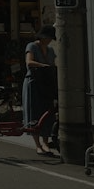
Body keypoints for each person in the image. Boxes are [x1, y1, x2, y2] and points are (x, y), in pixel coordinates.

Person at [24, 24, 58, 156]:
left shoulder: (50, 50)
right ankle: (38, 145)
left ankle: (45, 143)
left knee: (48, 113)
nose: (49, 40)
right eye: (48, 38)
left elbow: (53, 65)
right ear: (43, 36)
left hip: (47, 83)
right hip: (34, 82)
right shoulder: (32, 46)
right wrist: (43, 66)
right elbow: (29, 62)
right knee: (35, 112)